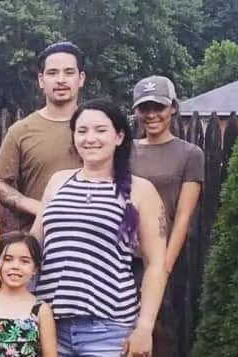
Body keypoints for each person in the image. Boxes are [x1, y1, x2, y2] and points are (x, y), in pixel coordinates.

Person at [31, 99, 168, 357]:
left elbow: (157, 265)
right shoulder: (58, 181)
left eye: (100, 130)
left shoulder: (141, 190)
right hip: (48, 325)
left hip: (109, 329)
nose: (90, 138)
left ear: (118, 136)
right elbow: (33, 245)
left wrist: (144, 327)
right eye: (82, 131)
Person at [130, 75, 203, 357]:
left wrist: (163, 269)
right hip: (122, 258)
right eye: (144, 108)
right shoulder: (126, 151)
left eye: (158, 107)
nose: (151, 115)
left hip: (160, 259)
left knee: (156, 335)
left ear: (173, 107)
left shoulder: (189, 154)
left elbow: (184, 216)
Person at [0, 42, 85, 230]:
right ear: (41, 80)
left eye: (69, 72)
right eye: (52, 73)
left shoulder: (99, 128)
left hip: (91, 235)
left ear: (81, 78)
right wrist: (38, 207)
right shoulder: (21, 130)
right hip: (37, 238)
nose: (61, 80)